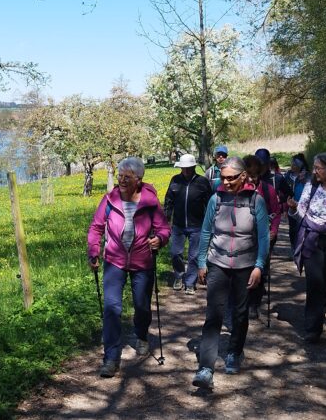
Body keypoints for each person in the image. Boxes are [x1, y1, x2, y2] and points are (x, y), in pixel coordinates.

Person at [87, 156, 171, 378]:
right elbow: (96, 227)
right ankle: (111, 358)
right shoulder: (109, 199)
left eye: (127, 177)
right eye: (120, 176)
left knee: (142, 306)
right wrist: (94, 251)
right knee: (112, 308)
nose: (122, 180)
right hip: (114, 260)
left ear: (138, 180)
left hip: (142, 262)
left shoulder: (150, 202)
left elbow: (164, 228)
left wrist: (160, 239)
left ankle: (141, 334)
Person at [191, 156, 270, 391]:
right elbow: (206, 231)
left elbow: (263, 237)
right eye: (223, 178)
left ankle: (235, 351)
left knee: (240, 313)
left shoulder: (256, 201)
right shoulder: (215, 199)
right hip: (218, 263)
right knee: (214, 314)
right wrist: (202, 262)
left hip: (246, 265)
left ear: (243, 176)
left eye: (231, 178)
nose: (225, 182)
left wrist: (259, 266)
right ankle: (206, 368)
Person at [286, 153, 326, 343]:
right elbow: (301, 213)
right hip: (312, 239)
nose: (314, 171)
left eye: (318, 168)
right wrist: (293, 208)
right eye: (314, 168)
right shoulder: (311, 186)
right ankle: (312, 328)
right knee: (315, 282)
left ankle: (321, 311)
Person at [163, 154, 213, 294]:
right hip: (178, 225)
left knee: (194, 256)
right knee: (175, 253)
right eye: (183, 168)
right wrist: (166, 218)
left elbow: (209, 203)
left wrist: (210, 222)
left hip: (197, 225)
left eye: (188, 168)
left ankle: (190, 283)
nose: (185, 170)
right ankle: (179, 276)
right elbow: (168, 200)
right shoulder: (175, 180)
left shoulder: (202, 182)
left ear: (193, 167)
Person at [247, 149, 285, 320]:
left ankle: (254, 304)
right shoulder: (237, 191)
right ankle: (244, 299)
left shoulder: (268, 190)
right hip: (243, 237)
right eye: (248, 175)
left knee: (260, 268)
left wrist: (273, 231)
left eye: (254, 176)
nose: (251, 179)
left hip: (264, 236)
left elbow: (276, 213)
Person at [286, 153, 310, 249]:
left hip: (304, 207)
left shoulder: (307, 176)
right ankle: (294, 248)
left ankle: (301, 248)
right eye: (292, 163)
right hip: (291, 206)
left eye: (294, 164)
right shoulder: (288, 175)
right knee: (292, 229)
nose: (292, 166)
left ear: (300, 165)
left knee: (301, 228)